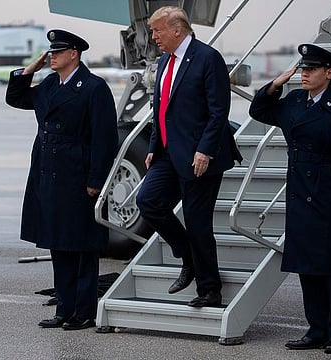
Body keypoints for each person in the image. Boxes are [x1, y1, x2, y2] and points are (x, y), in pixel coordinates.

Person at [249, 44, 331, 354]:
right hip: (301, 193)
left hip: (329, 196)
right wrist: (275, 84)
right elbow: (258, 110)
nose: (304, 74)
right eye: (302, 69)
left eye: (311, 70)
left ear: (329, 73)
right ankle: (316, 330)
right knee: (307, 267)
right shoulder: (295, 100)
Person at [5, 29, 118, 330]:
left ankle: (84, 312)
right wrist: (29, 70)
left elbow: (105, 140)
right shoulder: (49, 84)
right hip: (49, 174)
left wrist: (96, 179)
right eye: (51, 51)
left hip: (78, 176)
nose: (52, 55)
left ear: (74, 54)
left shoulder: (93, 88)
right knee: (59, 244)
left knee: (83, 245)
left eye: (58, 51)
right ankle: (64, 309)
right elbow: (15, 98)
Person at [136, 6, 242, 308]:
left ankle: (209, 289)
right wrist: (154, 146)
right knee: (148, 201)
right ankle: (187, 256)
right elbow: (160, 110)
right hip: (168, 154)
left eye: (157, 30)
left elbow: (219, 110)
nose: (153, 36)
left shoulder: (207, 59)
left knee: (198, 223)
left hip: (200, 155)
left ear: (177, 30)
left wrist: (205, 150)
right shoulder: (166, 61)